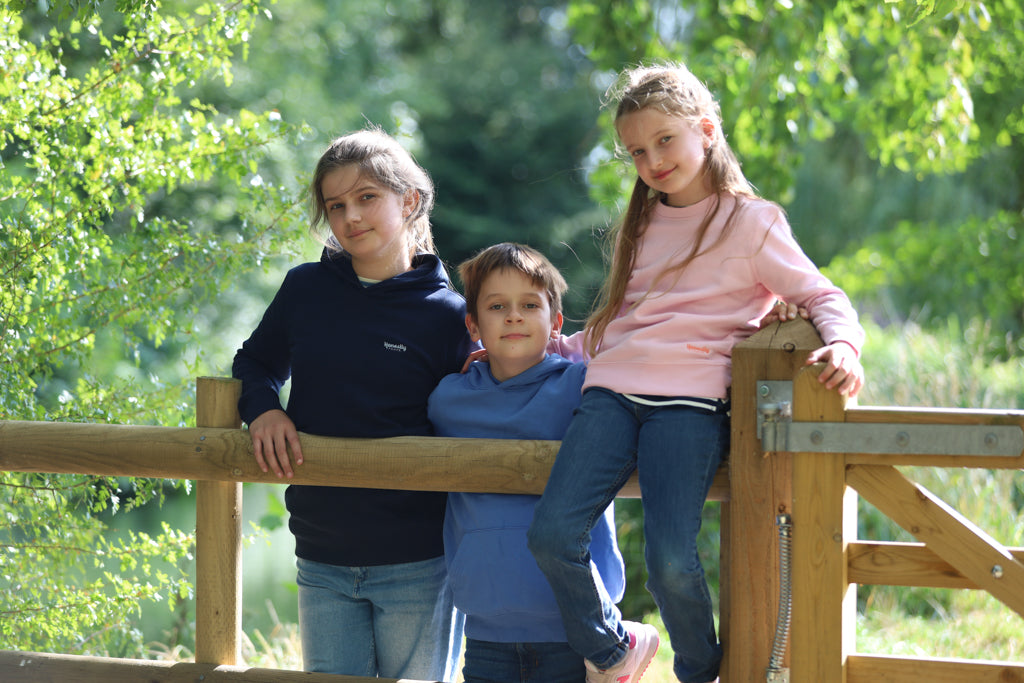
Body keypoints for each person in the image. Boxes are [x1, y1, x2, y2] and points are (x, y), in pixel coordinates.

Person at [527, 62, 866, 683]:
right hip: (610, 395)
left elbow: (824, 296)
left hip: (690, 403)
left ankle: (700, 671)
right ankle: (612, 651)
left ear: (705, 130)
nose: (652, 160)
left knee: (671, 563)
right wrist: (537, 352)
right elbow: (620, 323)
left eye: (665, 141)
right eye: (636, 150)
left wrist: (843, 345)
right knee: (551, 534)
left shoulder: (752, 222)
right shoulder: (642, 221)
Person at [231, 127, 472, 680]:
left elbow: (480, 404)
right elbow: (255, 363)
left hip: (419, 561)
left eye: (367, 198)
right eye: (336, 205)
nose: (350, 217)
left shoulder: (447, 315)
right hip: (321, 554)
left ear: (409, 201)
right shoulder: (305, 290)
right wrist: (264, 409)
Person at [427, 242, 626, 683]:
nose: (513, 316)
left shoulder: (585, 386)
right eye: (497, 306)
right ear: (473, 325)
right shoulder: (449, 400)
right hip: (485, 632)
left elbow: (633, 348)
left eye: (529, 305)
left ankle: (628, 639)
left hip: (578, 632)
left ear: (555, 322)